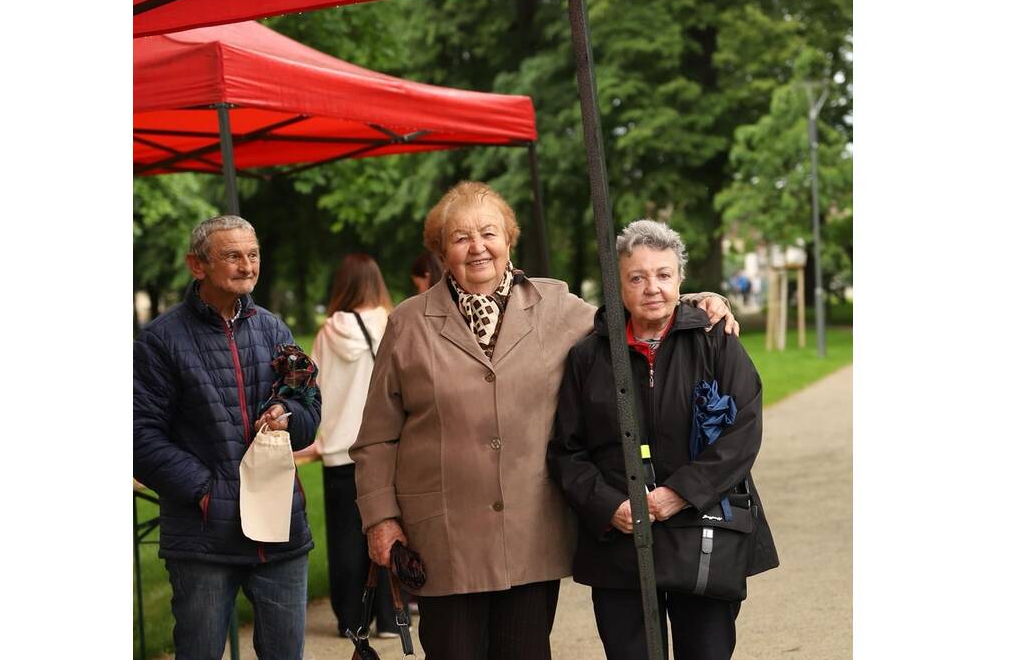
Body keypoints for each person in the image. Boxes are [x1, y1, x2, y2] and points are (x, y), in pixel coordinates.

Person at [350, 182, 739, 660]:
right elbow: (376, 437)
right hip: (444, 534)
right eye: (460, 238)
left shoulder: (556, 307)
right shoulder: (408, 323)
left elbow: (637, 311)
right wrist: (380, 520)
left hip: (529, 529)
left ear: (509, 239)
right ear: (441, 251)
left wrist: (700, 298)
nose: (477, 247)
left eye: (488, 232)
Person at [547, 219, 779, 660]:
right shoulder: (588, 356)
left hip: (705, 532)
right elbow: (566, 451)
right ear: (618, 285)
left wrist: (680, 493)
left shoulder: (715, 340)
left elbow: (742, 431)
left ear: (680, 280)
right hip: (619, 543)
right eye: (637, 277)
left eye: (663, 274)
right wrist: (607, 505)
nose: (652, 287)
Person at [133, 215, 321, 660]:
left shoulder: (275, 329)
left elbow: (309, 406)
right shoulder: (159, 341)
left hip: (280, 531)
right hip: (204, 538)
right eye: (232, 255)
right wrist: (205, 492)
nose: (246, 265)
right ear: (197, 266)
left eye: (252, 254)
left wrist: (286, 414)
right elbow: (138, 435)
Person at [292, 253, 403, 639]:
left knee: (344, 539)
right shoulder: (393, 323)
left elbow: (315, 395)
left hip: (340, 452)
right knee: (390, 526)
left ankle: (351, 620)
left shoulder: (327, 333)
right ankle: (391, 617)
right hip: (386, 449)